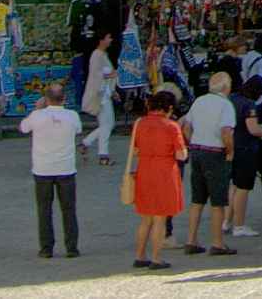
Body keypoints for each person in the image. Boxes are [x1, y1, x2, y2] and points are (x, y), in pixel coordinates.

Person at [125, 89, 188, 271]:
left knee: (146, 218)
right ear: (169, 108)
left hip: (144, 170)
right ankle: (156, 258)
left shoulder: (140, 124)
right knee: (160, 218)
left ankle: (140, 255)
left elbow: (135, 150)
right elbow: (181, 154)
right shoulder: (171, 126)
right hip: (164, 172)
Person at [180, 66, 239, 255]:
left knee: (197, 199)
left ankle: (191, 239)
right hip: (215, 153)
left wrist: (192, 143)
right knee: (218, 201)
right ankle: (217, 242)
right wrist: (230, 152)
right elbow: (226, 132)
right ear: (226, 87)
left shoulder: (199, 101)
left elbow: (186, 127)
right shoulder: (225, 105)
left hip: (197, 150)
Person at [22, 84, 84, 260]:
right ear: (64, 98)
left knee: (44, 209)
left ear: (46, 99)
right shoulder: (72, 116)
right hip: (66, 168)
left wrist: (37, 109)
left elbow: (23, 128)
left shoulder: (37, 116)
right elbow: (78, 130)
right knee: (69, 209)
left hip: (43, 169)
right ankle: (72, 247)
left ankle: (46, 248)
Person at [229, 75, 262, 237]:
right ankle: (239, 225)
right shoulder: (249, 105)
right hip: (246, 149)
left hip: (232, 146)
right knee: (243, 188)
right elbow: (253, 128)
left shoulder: (233, 98)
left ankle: (226, 222)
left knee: (234, 186)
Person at [82, 33, 119, 165]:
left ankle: (86, 142)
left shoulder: (103, 55)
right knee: (107, 125)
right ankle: (103, 154)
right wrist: (111, 74)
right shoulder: (96, 55)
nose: (110, 40)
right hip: (100, 96)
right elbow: (95, 74)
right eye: (108, 37)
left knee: (108, 124)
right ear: (101, 40)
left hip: (105, 94)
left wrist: (113, 89)